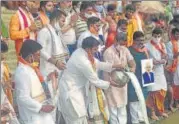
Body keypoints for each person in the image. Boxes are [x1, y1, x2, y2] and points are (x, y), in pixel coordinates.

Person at [59, 36, 125, 124]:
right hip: (70, 92)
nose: (96, 51)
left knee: (82, 118)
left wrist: (115, 66)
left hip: (76, 90)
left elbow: (97, 63)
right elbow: (95, 80)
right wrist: (112, 84)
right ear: (87, 49)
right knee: (77, 119)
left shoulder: (82, 52)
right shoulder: (82, 60)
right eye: (94, 49)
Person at [37, 9, 69, 123]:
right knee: (50, 102)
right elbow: (40, 50)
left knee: (56, 102)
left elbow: (61, 52)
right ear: (55, 19)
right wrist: (55, 62)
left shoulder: (57, 32)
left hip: (58, 71)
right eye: (62, 20)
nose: (63, 23)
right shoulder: (44, 32)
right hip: (48, 72)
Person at [14, 40, 55, 124]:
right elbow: (23, 97)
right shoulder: (22, 72)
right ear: (30, 56)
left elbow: (36, 83)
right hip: (32, 115)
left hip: (41, 111)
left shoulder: (31, 67)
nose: (39, 57)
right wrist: (41, 107)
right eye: (38, 55)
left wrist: (48, 78)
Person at [103, 32, 136, 124]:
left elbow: (131, 60)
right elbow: (106, 69)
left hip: (123, 82)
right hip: (112, 82)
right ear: (116, 40)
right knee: (113, 108)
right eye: (120, 43)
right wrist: (118, 66)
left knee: (122, 106)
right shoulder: (108, 52)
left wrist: (133, 67)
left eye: (123, 44)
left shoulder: (125, 49)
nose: (122, 46)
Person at [145, 28, 168, 120]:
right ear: (152, 35)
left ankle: (160, 111)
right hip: (148, 69)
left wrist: (164, 61)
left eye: (159, 36)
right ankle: (152, 113)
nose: (157, 38)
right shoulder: (147, 45)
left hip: (160, 71)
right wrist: (153, 62)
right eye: (155, 36)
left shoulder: (162, 45)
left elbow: (165, 57)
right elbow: (144, 58)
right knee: (151, 92)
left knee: (162, 91)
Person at [128, 31, 149, 124]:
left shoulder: (145, 49)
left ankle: (142, 119)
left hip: (144, 78)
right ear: (134, 40)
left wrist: (145, 52)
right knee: (133, 101)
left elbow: (148, 64)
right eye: (139, 40)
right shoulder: (129, 50)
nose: (141, 42)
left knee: (142, 99)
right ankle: (134, 121)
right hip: (133, 79)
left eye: (142, 40)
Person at [165, 28, 179, 110]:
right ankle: (175, 101)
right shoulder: (169, 44)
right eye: (176, 34)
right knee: (175, 84)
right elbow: (170, 57)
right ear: (173, 34)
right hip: (173, 66)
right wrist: (177, 54)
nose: (178, 36)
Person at [1, 40, 13, 105]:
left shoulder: (3, 63)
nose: (4, 56)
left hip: (5, 91)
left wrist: (9, 73)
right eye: (2, 53)